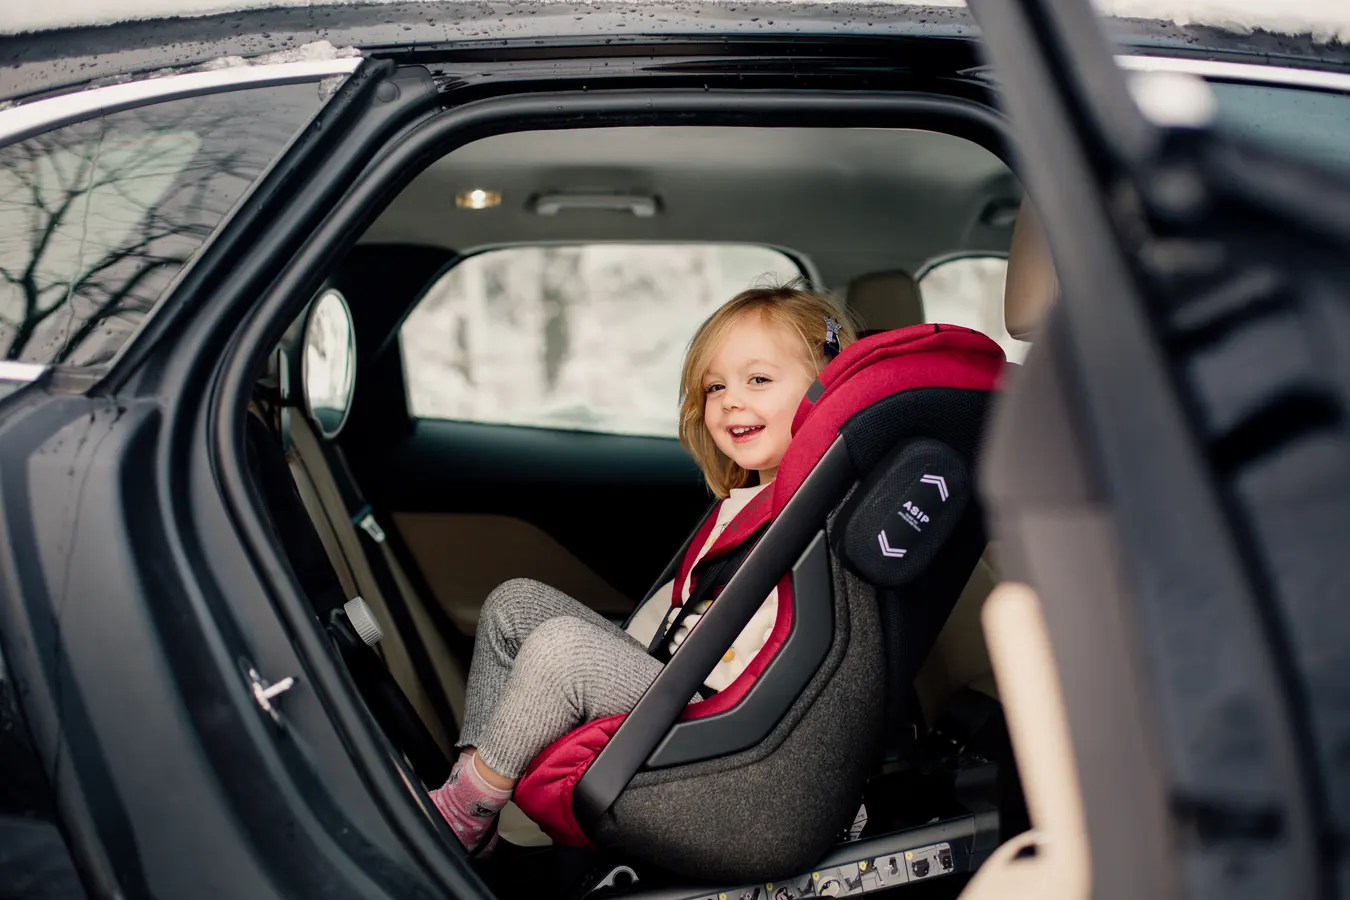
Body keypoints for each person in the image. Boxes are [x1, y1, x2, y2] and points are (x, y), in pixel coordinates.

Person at [429, 282, 856, 856]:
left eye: (758, 379)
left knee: (562, 649)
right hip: (675, 682)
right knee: (514, 604)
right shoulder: (743, 505)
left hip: (726, 722)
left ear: (826, 390)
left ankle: (462, 811)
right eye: (715, 386)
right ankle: (473, 802)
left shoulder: (819, 515)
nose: (730, 400)